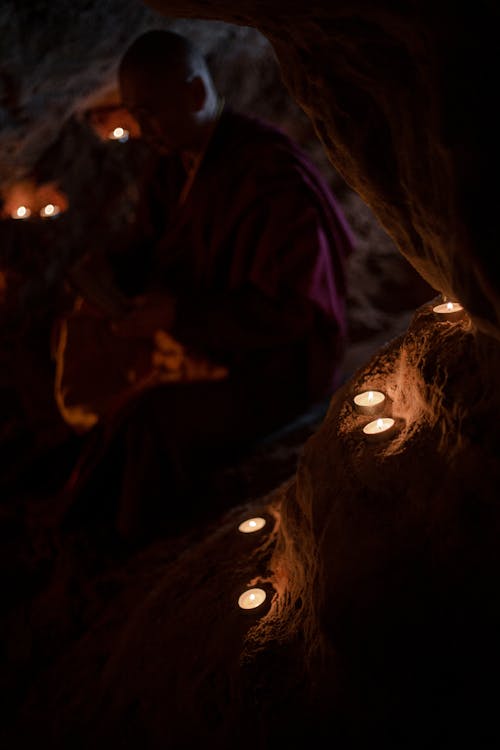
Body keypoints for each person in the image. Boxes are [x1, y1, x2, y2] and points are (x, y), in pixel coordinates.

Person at [59, 28, 356, 543]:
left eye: (149, 110)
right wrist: (107, 273)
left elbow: (292, 312)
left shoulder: (270, 175)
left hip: (278, 360)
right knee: (82, 342)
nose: (141, 127)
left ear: (195, 93)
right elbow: (150, 247)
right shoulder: (174, 162)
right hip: (205, 331)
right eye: (134, 112)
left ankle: (133, 543)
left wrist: (178, 316)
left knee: (152, 421)